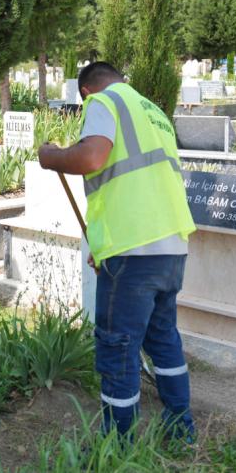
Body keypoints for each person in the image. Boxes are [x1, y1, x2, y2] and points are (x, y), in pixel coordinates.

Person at [37, 62, 196, 440]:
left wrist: (52, 156)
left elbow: (92, 157)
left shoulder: (103, 101)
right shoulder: (153, 112)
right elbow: (135, 186)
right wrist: (105, 245)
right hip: (170, 246)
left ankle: (118, 446)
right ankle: (181, 429)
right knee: (163, 340)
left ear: (86, 90)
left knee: (118, 348)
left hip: (134, 253)